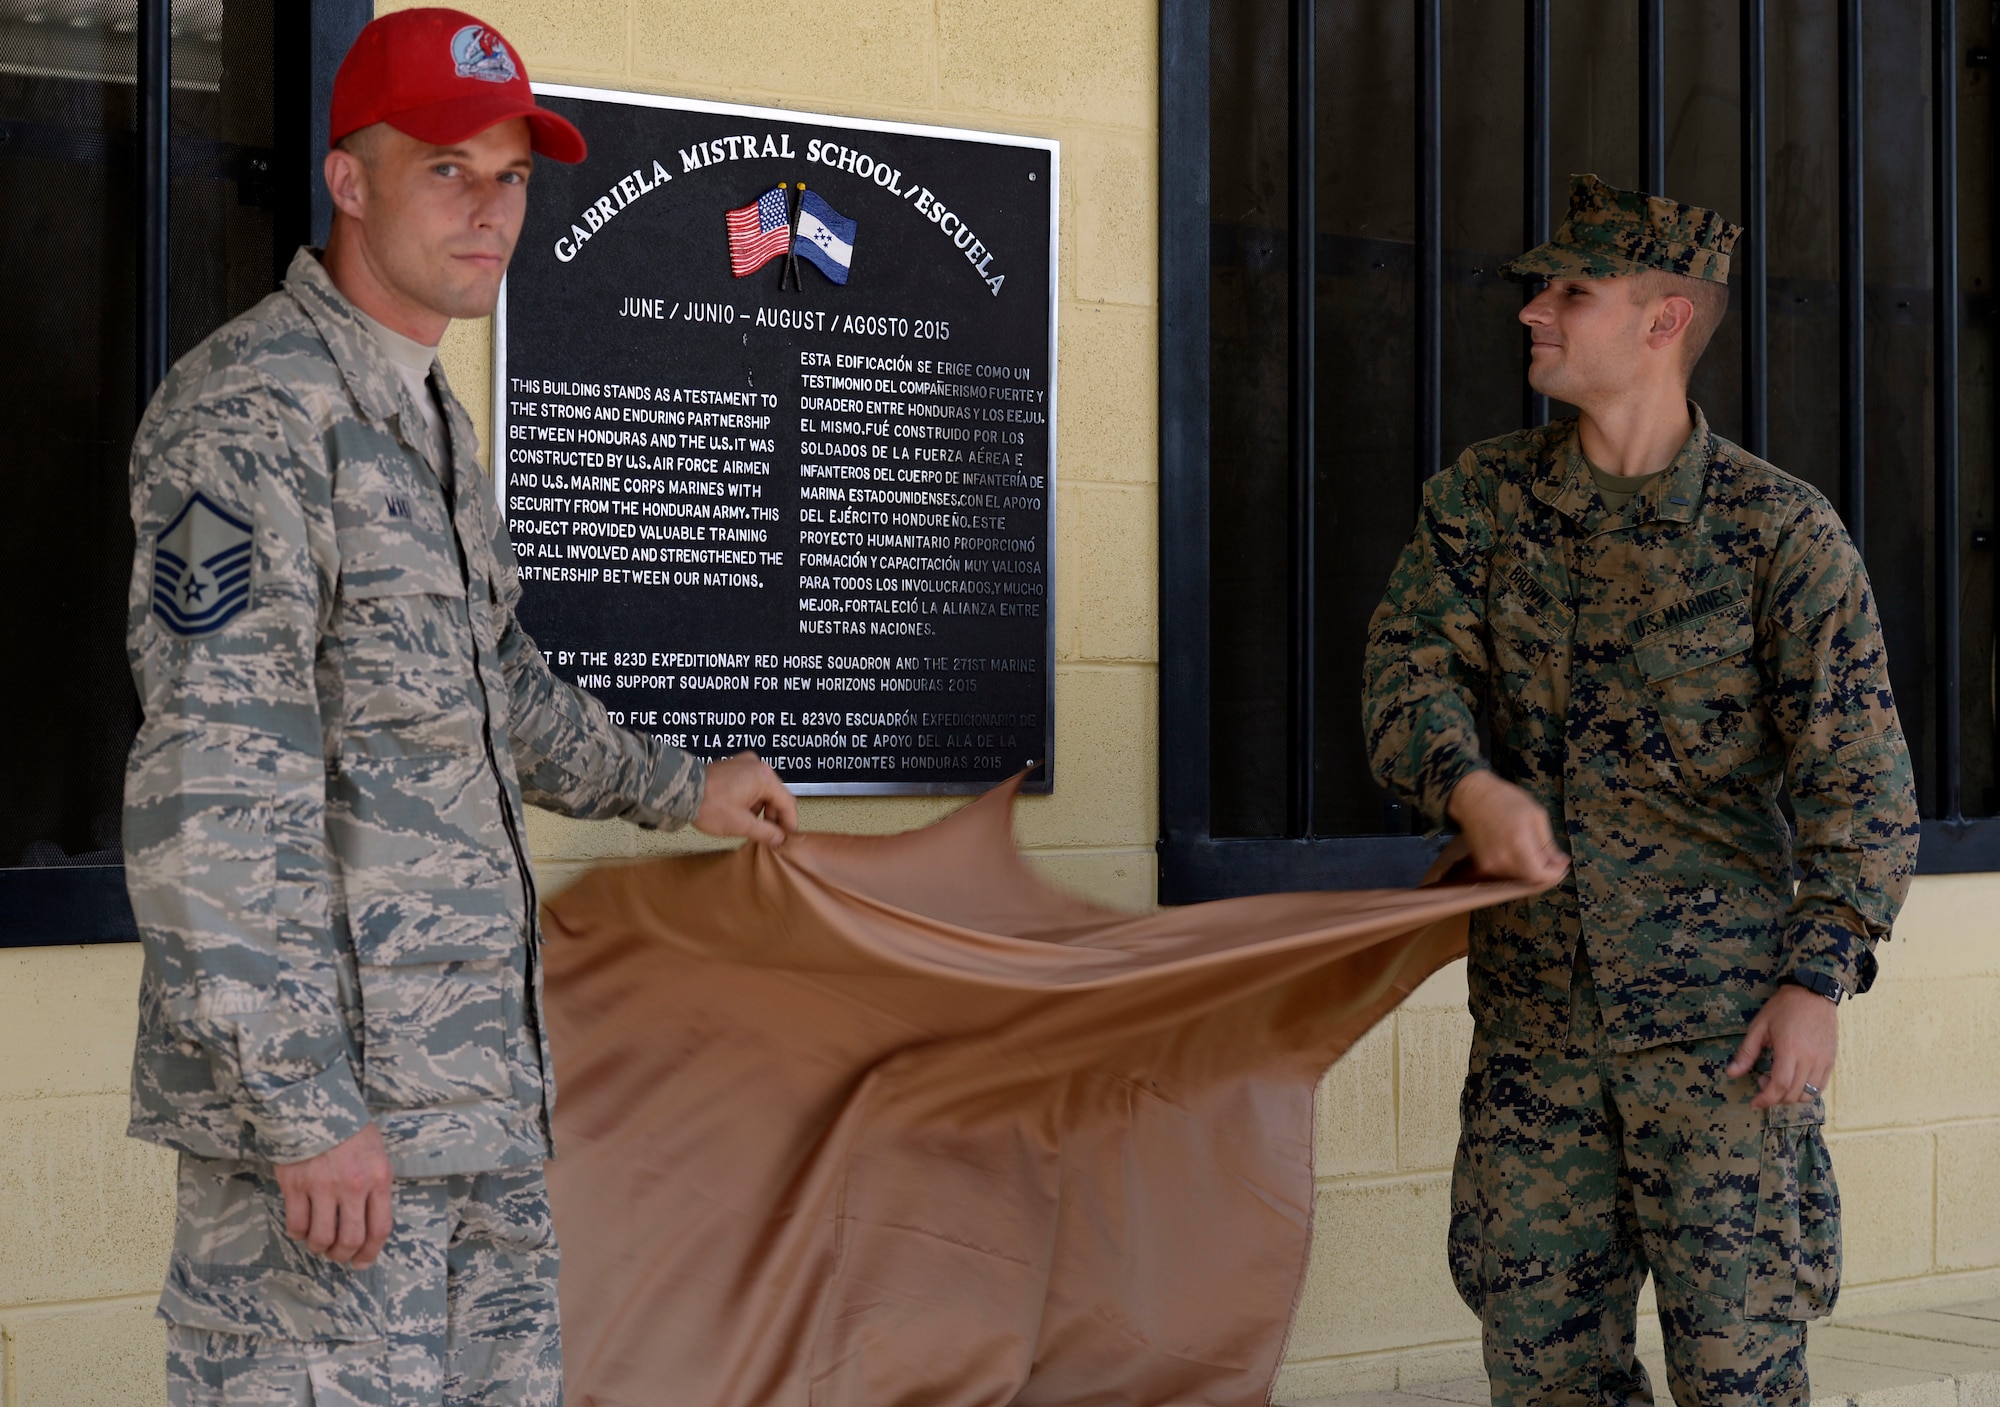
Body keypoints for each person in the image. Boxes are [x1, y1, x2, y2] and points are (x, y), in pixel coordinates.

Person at [120, 9, 798, 1403]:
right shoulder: (251, 415)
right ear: (349, 180)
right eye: (446, 168)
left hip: (473, 1110)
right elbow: (213, 788)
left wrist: (686, 787)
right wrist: (304, 1109)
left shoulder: (425, 416)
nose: (490, 210)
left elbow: (498, 692)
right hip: (333, 1142)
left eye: (512, 175)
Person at [1363, 173, 1920, 1406]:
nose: (1533, 314)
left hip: (1723, 1041)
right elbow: (1408, 678)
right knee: (1545, 1369)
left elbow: (1859, 783)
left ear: (1662, 319)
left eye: (1570, 290)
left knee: (1737, 1375)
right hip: (1534, 1035)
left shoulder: (1780, 534)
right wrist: (1468, 789)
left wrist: (1814, 980)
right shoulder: (1486, 502)